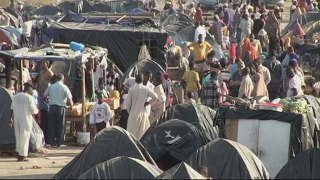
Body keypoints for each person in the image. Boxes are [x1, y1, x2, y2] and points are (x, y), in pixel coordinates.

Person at [10, 82, 39, 161]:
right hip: (26, 120)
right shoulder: (29, 98)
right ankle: (22, 155)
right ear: (30, 89)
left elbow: (11, 108)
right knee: (25, 137)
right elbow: (33, 111)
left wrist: (11, 118)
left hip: (17, 119)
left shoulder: (16, 96)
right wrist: (37, 110)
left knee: (18, 136)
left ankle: (19, 153)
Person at [43, 73, 73, 148]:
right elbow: (69, 98)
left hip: (52, 107)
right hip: (61, 108)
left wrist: (47, 100)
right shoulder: (64, 87)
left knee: (51, 125)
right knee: (60, 125)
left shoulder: (51, 86)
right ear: (63, 79)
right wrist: (72, 105)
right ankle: (60, 143)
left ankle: (50, 142)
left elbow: (44, 95)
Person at [126, 74, 158, 140]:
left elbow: (128, 104)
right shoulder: (146, 89)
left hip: (133, 115)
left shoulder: (131, 90)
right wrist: (148, 103)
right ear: (142, 80)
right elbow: (155, 97)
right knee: (142, 136)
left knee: (131, 136)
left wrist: (130, 111)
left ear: (135, 80)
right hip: (143, 115)